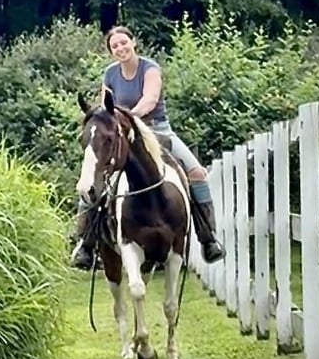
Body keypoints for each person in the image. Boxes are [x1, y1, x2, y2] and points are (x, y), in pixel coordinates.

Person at [71, 25, 226, 269]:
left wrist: (129, 118)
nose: (120, 48)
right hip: (123, 134)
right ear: (111, 52)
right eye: (115, 46)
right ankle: (85, 243)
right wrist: (112, 125)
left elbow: (150, 99)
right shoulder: (110, 74)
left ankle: (208, 237)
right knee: (95, 173)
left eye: (123, 42)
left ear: (134, 43)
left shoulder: (150, 68)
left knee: (196, 172)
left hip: (156, 129)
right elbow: (105, 109)